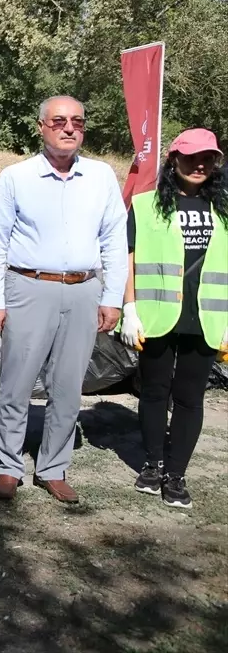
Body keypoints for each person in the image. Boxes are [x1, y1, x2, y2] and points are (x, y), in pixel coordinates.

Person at [0, 96, 127, 504]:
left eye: (77, 122)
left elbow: (115, 239)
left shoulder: (101, 177)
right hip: (29, 287)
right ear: (42, 126)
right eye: (59, 121)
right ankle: (8, 465)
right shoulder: (17, 177)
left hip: (83, 290)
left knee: (68, 386)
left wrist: (112, 296)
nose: (68, 128)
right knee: (17, 380)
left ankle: (53, 467)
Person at [120, 129, 227, 509]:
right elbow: (128, 258)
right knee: (153, 391)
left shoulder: (225, 211)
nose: (199, 164)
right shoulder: (146, 204)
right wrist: (129, 307)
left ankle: (176, 474)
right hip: (156, 314)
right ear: (172, 159)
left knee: (189, 398)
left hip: (207, 319)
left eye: (208, 158)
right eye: (190, 157)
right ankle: (152, 463)